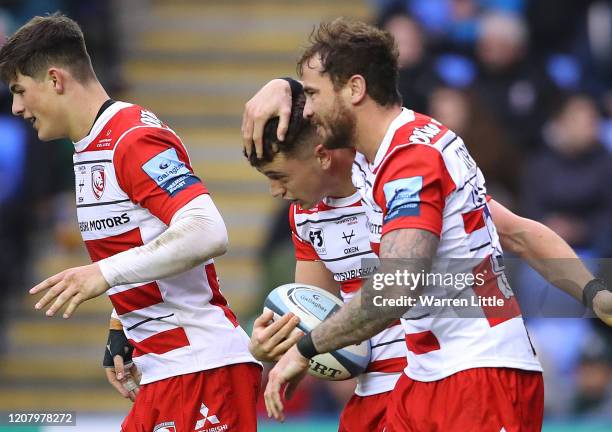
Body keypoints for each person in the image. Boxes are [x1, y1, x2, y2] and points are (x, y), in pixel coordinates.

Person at [241, 18, 612, 430]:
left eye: (312, 95)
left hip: (476, 373)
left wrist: (306, 348)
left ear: (355, 89)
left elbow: (398, 285)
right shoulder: (380, 160)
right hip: (429, 374)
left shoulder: (410, 160)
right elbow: (521, 232)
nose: (307, 109)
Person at [0, 14, 260, 431]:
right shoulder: (88, 148)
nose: (16, 107)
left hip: (201, 371)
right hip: (163, 372)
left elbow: (208, 229)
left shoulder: (131, 137)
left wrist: (104, 274)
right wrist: (121, 322)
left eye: (19, 90)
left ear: (54, 79)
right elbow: (145, 237)